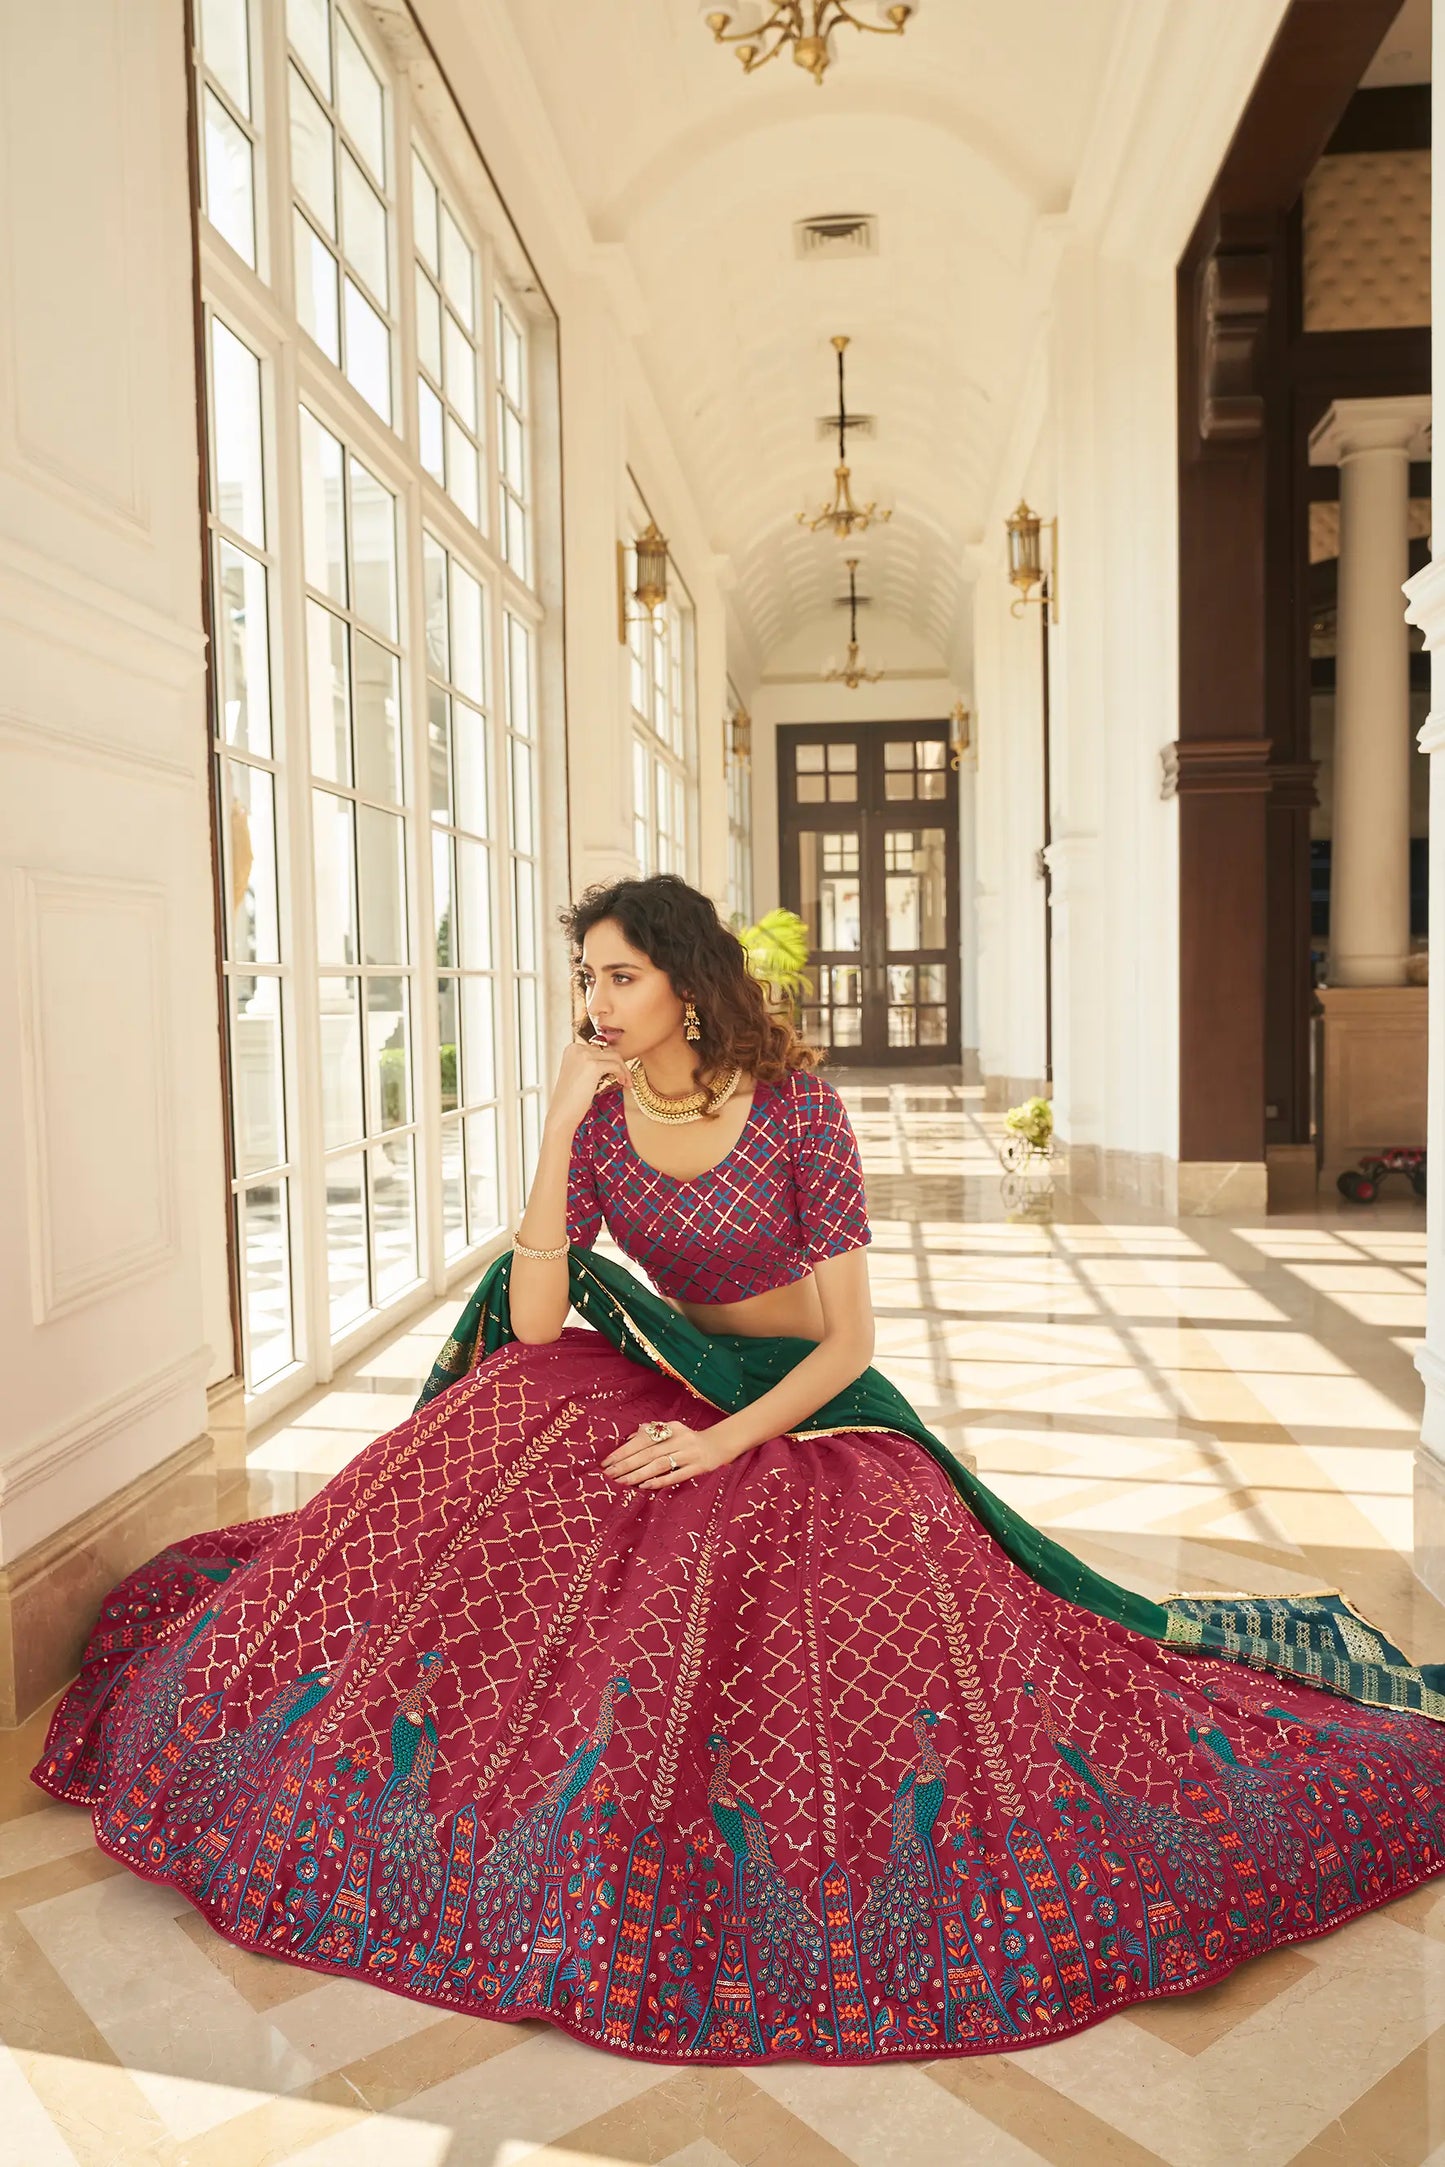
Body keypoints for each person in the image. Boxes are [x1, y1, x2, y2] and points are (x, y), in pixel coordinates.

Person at [32, 873, 1445, 2068]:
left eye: (620, 976)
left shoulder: (794, 1111)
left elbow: (845, 1344)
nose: (595, 1002)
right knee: (517, 1413)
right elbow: (536, 1318)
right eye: (585, 977)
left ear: (688, 988)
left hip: (809, 1410)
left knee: (772, 1553)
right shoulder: (598, 1116)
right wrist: (549, 1127)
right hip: (665, 1367)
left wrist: (716, 1438)